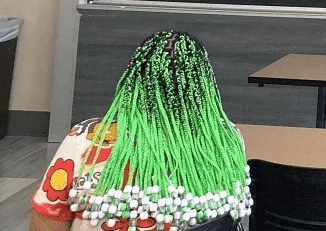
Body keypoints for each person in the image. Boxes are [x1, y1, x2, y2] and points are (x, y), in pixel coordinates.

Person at [31, 30, 252, 231]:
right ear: (204, 86)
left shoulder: (86, 139)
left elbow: (46, 221)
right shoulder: (226, 141)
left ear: (132, 83)